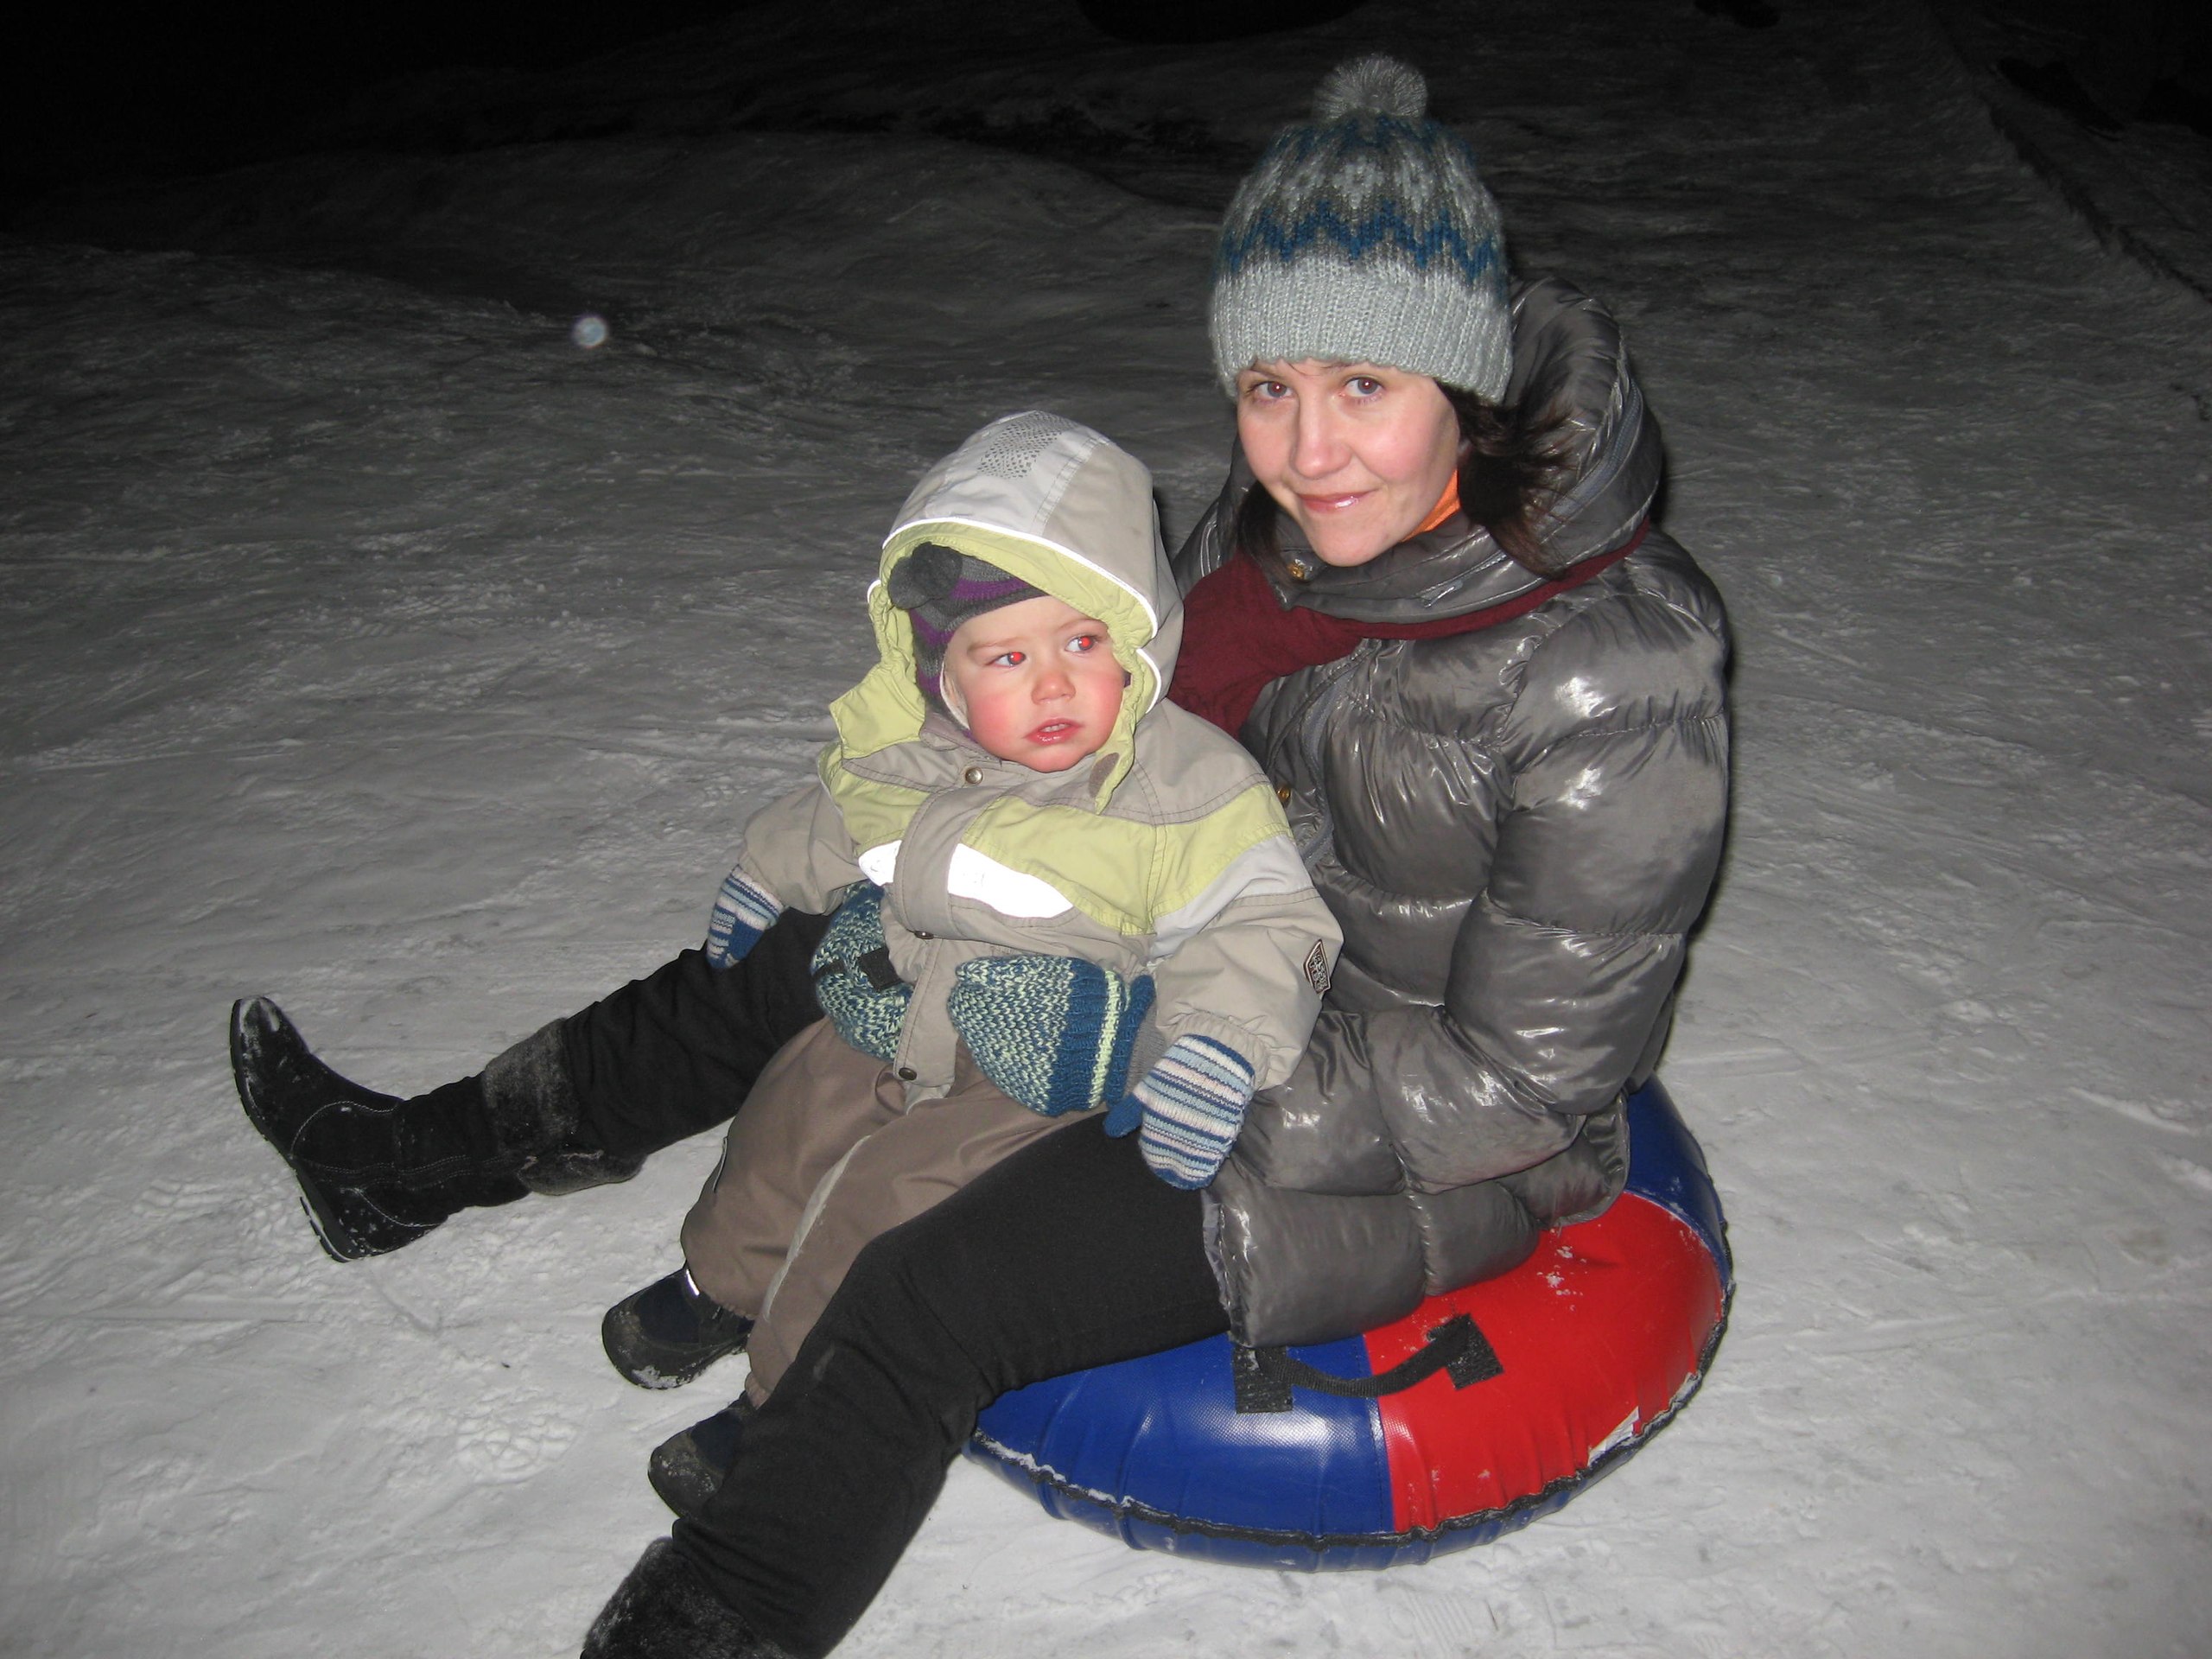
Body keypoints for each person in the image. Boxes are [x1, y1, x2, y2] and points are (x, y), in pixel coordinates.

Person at [229, 50, 1728, 1659]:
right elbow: (1102, 734)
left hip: (1337, 1109)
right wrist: (895, 861)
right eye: (1267, 388)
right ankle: (409, 1167)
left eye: (1364, 386)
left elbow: (1525, 1087)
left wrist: (1154, 1045)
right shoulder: (1277, 550)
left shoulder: (1614, 675)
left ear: (1465, 384)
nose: (1307, 451)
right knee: (796, 955)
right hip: (1164, 932)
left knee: (927, 1293)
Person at [590, 411, 1338, 1500]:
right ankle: (723, 1282)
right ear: (941, 674)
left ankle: (788, 1407)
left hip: (1038, 1076)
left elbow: (1269, 923)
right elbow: (840, 814)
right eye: (1007, 657)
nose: (1053, 687)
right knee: (789, 1117)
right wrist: (768, 871)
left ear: (1136, 642)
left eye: (1083, 644)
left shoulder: (1186, 789)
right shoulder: (919, 752)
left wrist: (1216, 1046)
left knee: (883, 1204)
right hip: (903, 1007)